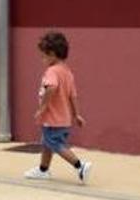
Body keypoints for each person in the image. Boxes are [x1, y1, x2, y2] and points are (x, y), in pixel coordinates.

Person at [24, 31, 92, 183]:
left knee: (56, 144)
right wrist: (76, 115)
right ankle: (43, 169)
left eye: (43, 56)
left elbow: (51, 87)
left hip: (52, 119)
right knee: (47, 142)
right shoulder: (67, 72)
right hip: (63, 119)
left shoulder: (52, 71)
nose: (42, 60)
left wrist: (42, 108)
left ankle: (80, 166)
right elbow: (72, 95)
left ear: (52, 54)